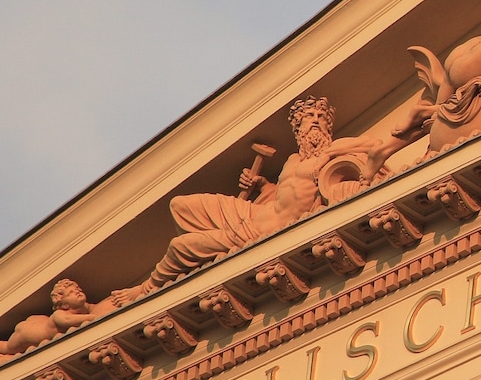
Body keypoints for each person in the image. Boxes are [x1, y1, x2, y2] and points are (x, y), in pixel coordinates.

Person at [119, 96, 428, 297]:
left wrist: (406, 129)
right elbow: (281, 193)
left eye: (320, 117)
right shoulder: (293, 161)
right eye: (309, 119)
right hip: (253, 216)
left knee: (181, 245)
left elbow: (372, 145)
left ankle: (146, 289)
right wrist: (260, 184)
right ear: (298, 129)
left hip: (262, 232)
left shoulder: (334, 151)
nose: (315, 122)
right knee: (180, 206)